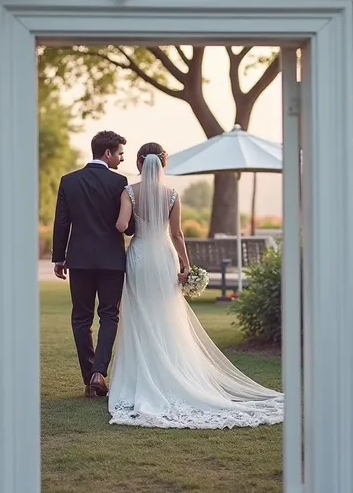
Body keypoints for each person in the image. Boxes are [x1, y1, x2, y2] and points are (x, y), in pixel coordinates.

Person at [106, 142, 283, 428]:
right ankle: (172, 372)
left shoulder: (129, 191)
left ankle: (142, 377)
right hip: (164, 258)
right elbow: (177, 234)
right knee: (166, 314)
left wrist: (135, 226)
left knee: (139, 313)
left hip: (140, 256)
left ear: (139, 164)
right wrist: (186, 265)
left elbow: (120, 225)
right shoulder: (172, 194)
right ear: (163, 164)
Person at [51, 130, 134, 398]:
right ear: (107, 153)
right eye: (120, 153)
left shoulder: (69, 181)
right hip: (112, 261)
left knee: (81, 318)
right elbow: (128, 226)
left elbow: (62, 221)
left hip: (80, 260)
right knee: (109, 315)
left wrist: (58, 257)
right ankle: (100, 373)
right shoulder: (119, 182)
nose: (122, 159)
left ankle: (89, 378)